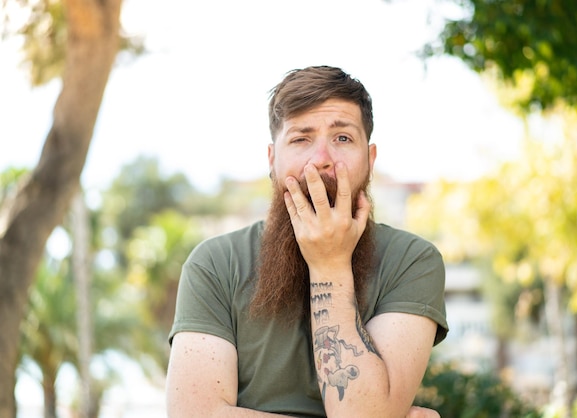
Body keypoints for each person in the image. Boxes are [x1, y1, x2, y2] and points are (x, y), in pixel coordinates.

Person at [165, 65, 448, 418]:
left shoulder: (413, 261)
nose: (322, 160)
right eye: (301, 139)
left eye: (343, 138)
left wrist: (329, 264)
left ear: (370, 161)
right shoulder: (215, 263)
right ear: (272, 160)